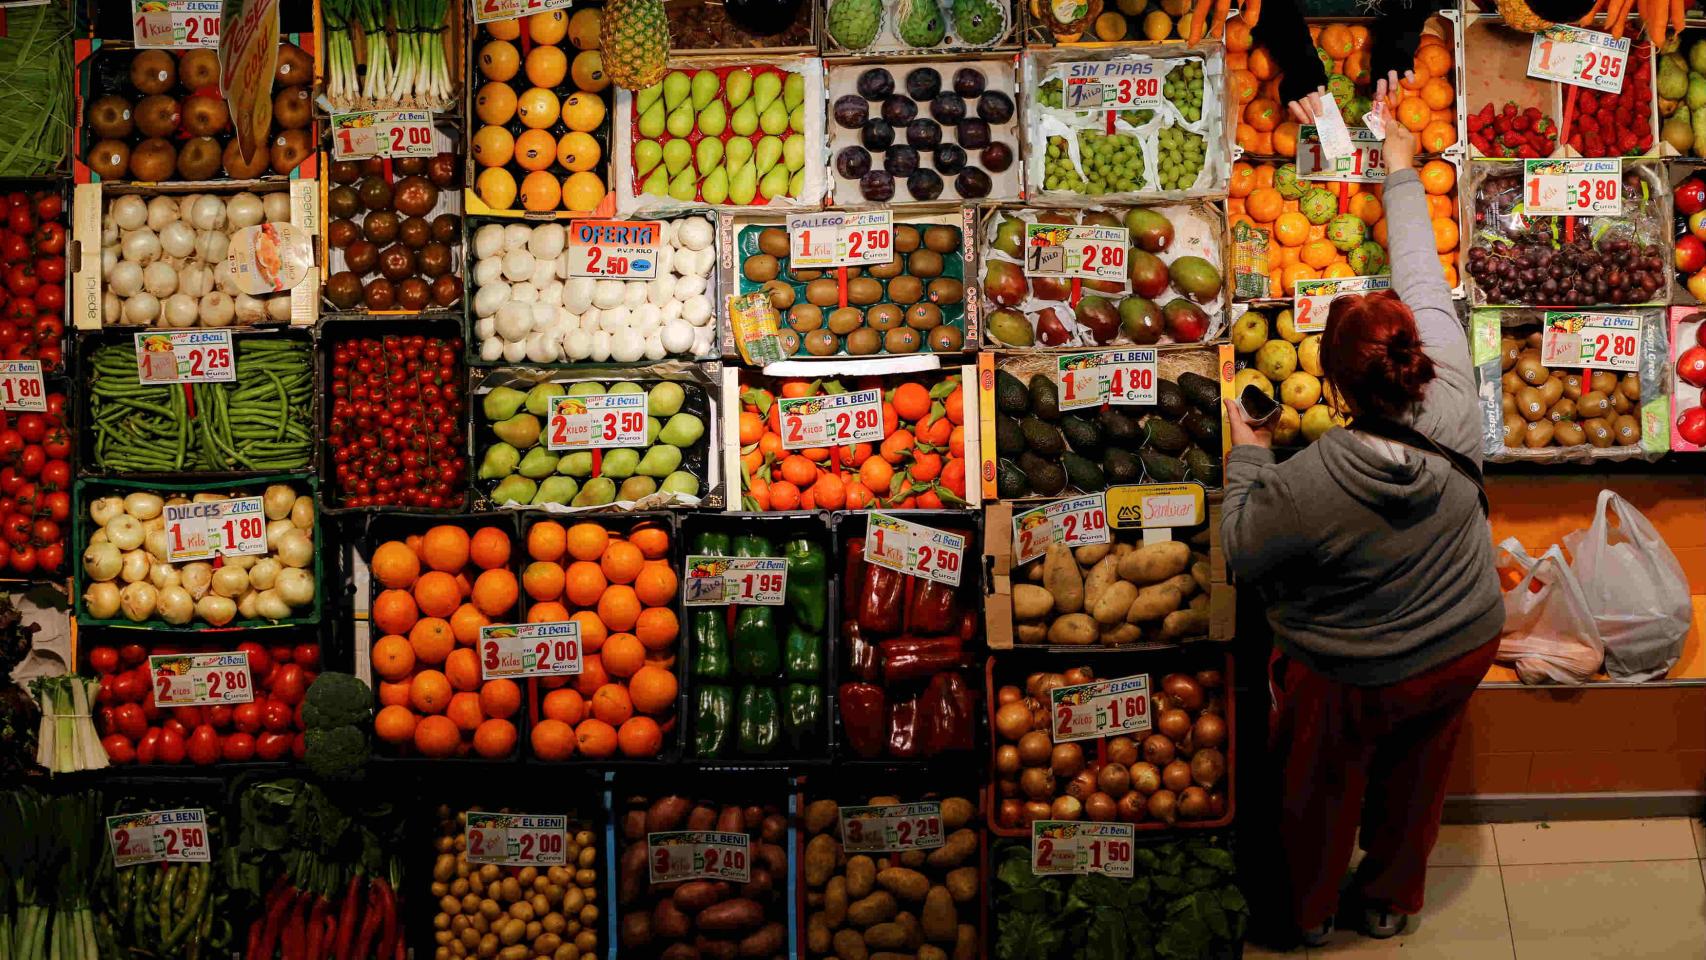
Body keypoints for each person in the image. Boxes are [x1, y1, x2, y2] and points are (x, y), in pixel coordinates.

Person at [1221, 74, 1504, 947]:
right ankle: (1388, 900)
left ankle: (1306, 917)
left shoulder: (1314, 479)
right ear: (1415, 349)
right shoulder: (1454, 389)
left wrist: (1247, 451)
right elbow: (1422, 270)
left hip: (1355, 668)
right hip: (1463, 639)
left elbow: (1241, 550)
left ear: (1337, 391)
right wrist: (1402, 168)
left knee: (1319, 792)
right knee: (1419, 780)